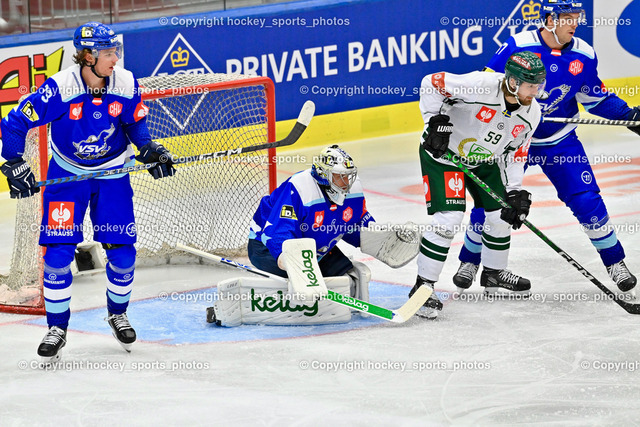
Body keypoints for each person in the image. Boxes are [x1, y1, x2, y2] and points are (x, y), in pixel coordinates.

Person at [0, 22, 175, 361]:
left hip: (112, 175)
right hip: (68, 176)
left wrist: (150, 150)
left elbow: (134, 124)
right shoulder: (61, 88)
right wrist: (13, 162)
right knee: (58, 256)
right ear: (88, 56)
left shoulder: (125, 82)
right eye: (109, 53)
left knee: (123, 254)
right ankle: (57, 328)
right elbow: (15, 122)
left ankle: (117, 313)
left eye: (116, 52)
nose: (115, 59)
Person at [454, 0, 640, 293]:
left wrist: (628, 114)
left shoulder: (584, 54)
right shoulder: (517, 46)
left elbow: (596, 98)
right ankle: (470, 261)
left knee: (586, 200)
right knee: (491, 202)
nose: (575, 23)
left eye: (576, 17)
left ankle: (615, 262)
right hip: (513, 140)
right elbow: (487, 88)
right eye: (568, 17)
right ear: (549, 19)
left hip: (559, 141)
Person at [207, 144, 420, 326]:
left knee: (345, 277)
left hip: (316, 248)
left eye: (348, 176)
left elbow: (354, 224)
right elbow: (277, 233)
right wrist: (295, 266)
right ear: (324, 176)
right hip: (267, 248)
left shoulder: (353, 191)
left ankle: (315, 286)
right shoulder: (299, 188)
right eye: (339, 177)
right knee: (305, 284)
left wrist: (383, 239)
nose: (346, 183)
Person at [412, 51, 547, 318]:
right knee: (448, 219)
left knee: (501, 215)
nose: (536, 92)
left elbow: (515, 154)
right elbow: (431, 82)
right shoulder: (479, 85)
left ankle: (493, 273)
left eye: (538, 85)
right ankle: (423, 287)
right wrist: (433, 122)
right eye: (531, 85)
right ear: (512, 82)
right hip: (444, 156)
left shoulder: (532, 114)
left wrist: (514, 191)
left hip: (485, 160)